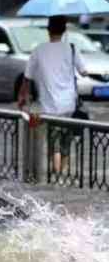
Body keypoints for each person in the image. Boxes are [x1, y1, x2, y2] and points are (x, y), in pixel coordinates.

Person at [18, 15, 88, 174]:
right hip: (69, 105)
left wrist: (22, 98)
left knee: (53, 143)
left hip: (48, 107)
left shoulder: (38, 50)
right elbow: (84, 72)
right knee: (66, 141)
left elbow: (27, 78)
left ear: (48, 30)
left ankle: (54, 176)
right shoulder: (71, 48)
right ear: (64, 30)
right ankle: (62, 175)